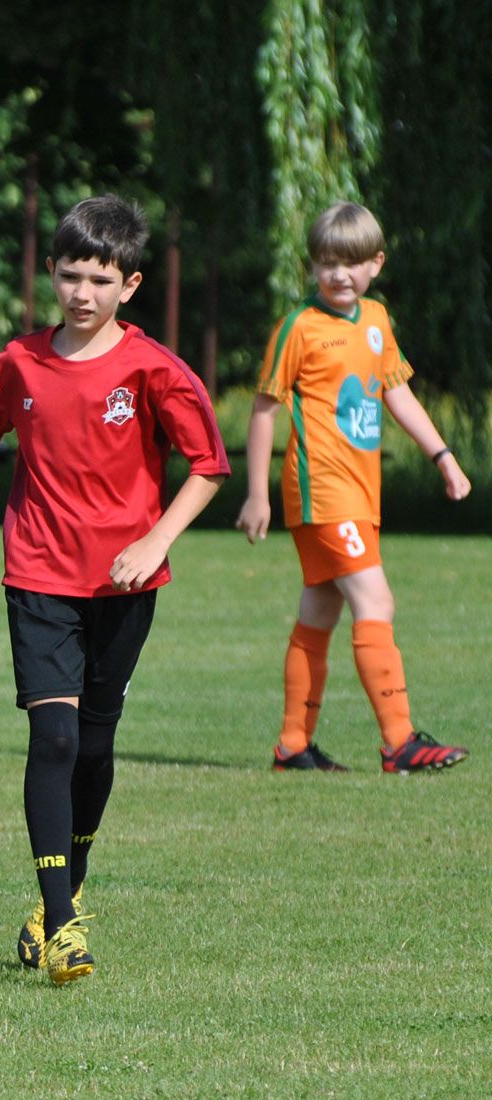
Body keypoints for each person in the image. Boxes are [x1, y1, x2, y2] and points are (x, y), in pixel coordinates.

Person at [0, 196, 230, 986]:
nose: (82, 293)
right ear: (50, 273)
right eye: (69, 276)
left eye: (100, 280)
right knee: (53, 739)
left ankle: (67, 887)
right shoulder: (18, 365)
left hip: (125, 583)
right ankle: (61, 926)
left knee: (94, 745)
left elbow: (208, 467)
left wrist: (154, 541)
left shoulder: (155, 370)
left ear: (130, 285)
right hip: (39, 575)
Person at [236, 201, 472, 774]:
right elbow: (264, 409)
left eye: (350, 263)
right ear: (313, 265)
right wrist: (257, 493)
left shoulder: (376, 320)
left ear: (375, 264)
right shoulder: (298, 327)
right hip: (322, 488)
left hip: (360, 492)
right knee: (376, 601)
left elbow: (396, 392)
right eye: (326, 263)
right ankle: (400, 743)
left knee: (320, 609)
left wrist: (442, 456)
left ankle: (293, 745)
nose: (338, 274)